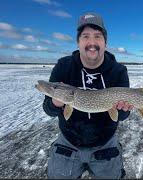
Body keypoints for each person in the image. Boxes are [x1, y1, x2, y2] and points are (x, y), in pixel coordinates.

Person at [42, 12, 132, 179]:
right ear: (78, 42)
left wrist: (123, 110)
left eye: (97, 36)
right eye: (85, 36)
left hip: (105, 144)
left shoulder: (119, 71)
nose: (92, 42)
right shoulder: (63, 66)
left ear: (105, 42)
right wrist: (55, 103)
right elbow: (48, 109)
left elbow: (123, 115)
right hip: (68, 142)